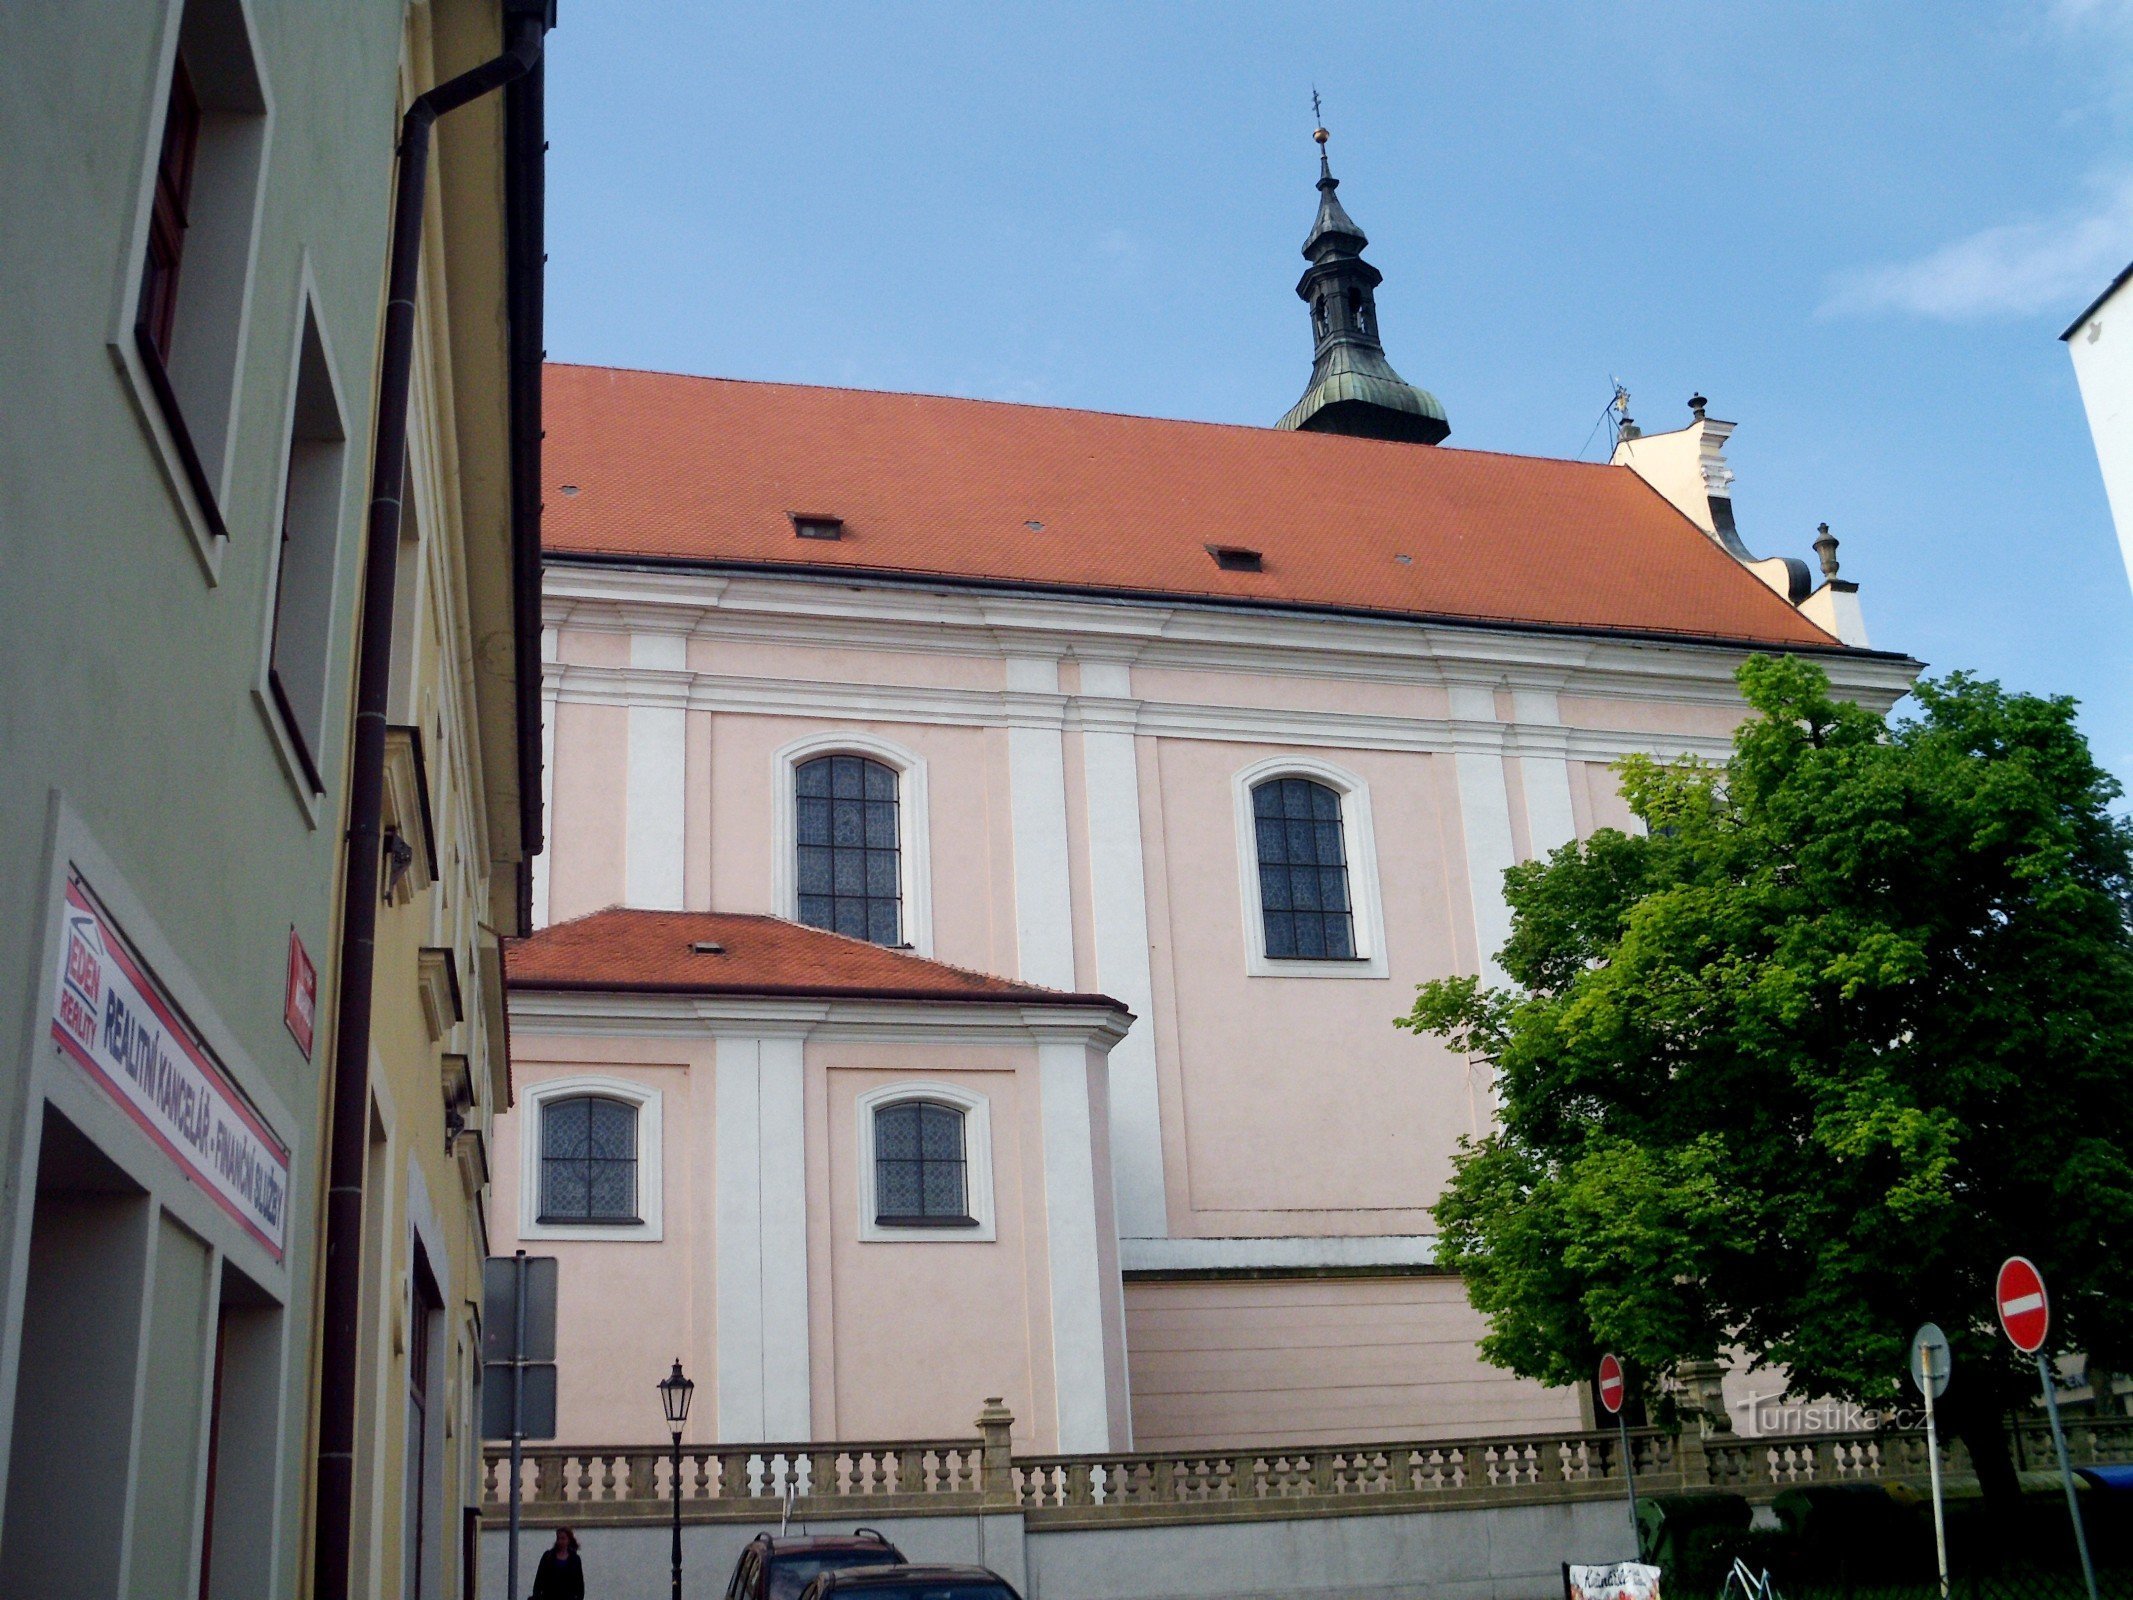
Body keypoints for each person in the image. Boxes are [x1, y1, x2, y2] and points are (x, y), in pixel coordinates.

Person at [531, 1528, 584, 1600]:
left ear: (569, 1540)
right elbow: (539, 1580)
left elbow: (579, 1584)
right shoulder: (548, 1556)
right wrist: (536, 1596)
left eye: (563, 1538)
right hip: (548, 1596)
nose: (560, 1541)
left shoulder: (575, 1559)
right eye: (558, 1538)